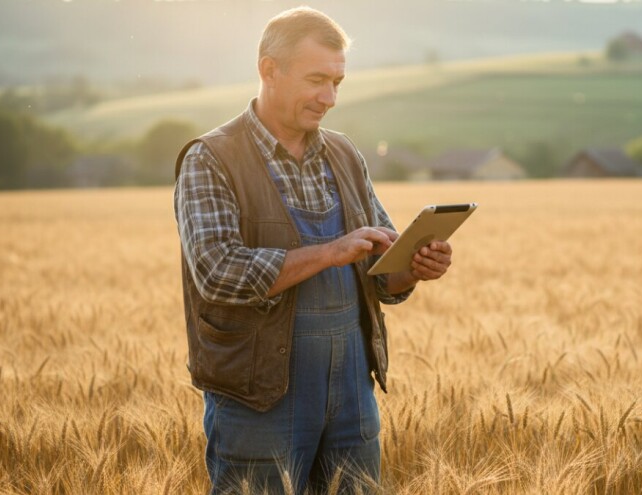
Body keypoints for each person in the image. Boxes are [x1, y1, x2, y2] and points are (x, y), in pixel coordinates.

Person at [173, 6, 453, 494]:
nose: (330, 98)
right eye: (317, 80)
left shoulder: (344, 153)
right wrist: (330, 252)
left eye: (337, 82)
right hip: (258, 399)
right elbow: (217, 273)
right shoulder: (211, 158)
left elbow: (380, 273)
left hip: (351, 395)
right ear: (269, 70)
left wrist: (413, 267)